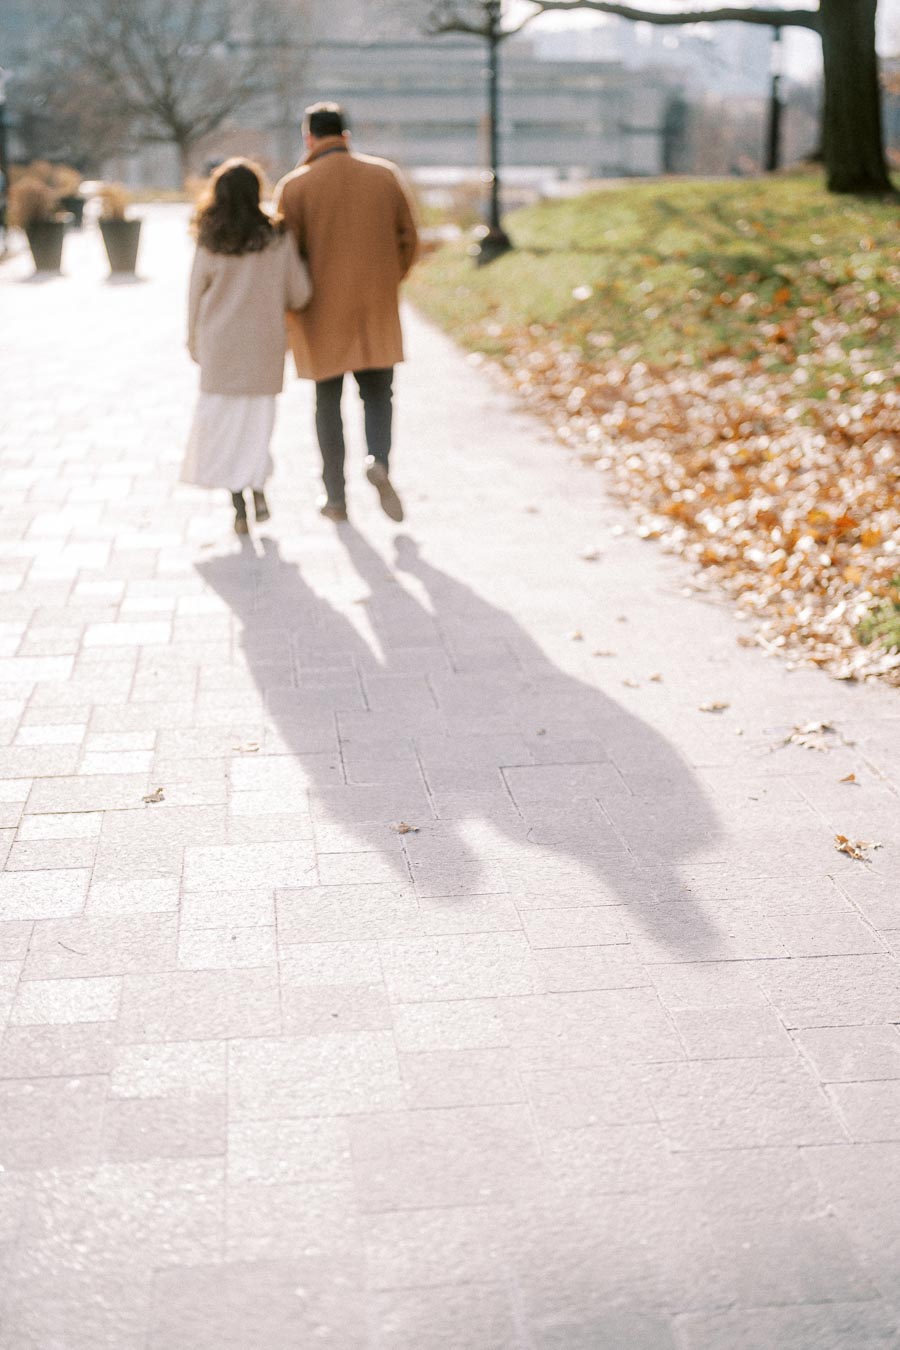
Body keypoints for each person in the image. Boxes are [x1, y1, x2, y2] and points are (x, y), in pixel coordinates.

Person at [275, 102, 419, 524]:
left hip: (319, 311)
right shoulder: (384, 175)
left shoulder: (294, 187)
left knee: (327, 402)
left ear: (309, 138)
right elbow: (410, 239)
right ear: (346, 135)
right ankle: (379, 461)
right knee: (378, 394)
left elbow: (287, 256)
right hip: (376, 306)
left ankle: (335, 498)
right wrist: (389, 279)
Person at [183, 157, 312, 535]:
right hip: (264, 347)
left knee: (224, 426)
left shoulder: (208, 238)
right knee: (258, 424)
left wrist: (193, 343)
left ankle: (238, 503)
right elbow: (300, 294)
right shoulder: (277, 236)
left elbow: (194, 297)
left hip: (219, 347)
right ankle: (257, 485)